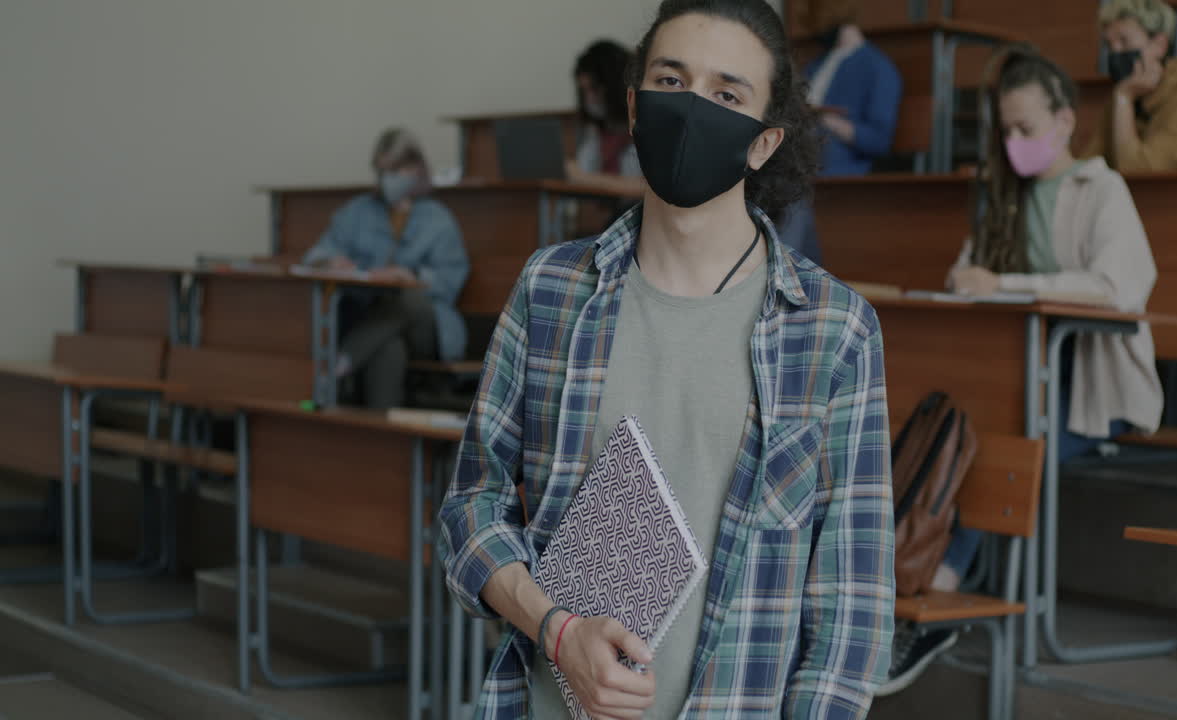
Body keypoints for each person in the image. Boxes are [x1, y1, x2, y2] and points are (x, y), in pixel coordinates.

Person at [439, 1, 895, 717]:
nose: (691, 110)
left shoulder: (835, 330)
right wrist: (556, 632)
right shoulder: (551, 289)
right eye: (671, 81)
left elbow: (850, 609)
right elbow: (471, 506)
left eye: (726, 95)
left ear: (764, 142)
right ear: (633, 105)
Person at [878, 45, 1165, 696]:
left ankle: (941, 594)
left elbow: (1117, 287)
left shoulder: (1102, 188)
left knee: (1002, 444)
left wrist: (1005, 282)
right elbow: (967, 276)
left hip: (1092, 393)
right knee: (967, 424)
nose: (1014, 144)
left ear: (1064, 121)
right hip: (1026, 387)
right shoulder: (1002, 194)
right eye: (1005, 131)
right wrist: (977, 279)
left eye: (1025, 130)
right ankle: (913, 585)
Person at [302, 128, 469, 409]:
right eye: (381, 171)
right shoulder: (358, 211)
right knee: (389, 348)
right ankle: (380, 443)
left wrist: (412, 277)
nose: (386, 179)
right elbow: (317, 253)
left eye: (395, 170)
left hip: (426, 323)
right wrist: (329, 262)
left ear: (415, 169)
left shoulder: (438, 219)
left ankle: (340, 363)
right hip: (373, 319)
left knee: (406, 297)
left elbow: (451, 281)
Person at [775, 0, 903, 265]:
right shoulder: (816, 64)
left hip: (834, 161)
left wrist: (832, 122)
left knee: (794, 175)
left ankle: (782, 268)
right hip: (803, 152)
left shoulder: (878, 68)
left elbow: (879, 140)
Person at [1083, 0, 1177, 171]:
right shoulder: (1125, 93)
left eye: (1124, 41)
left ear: (1159, 45)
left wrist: (1124, 100)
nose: (1115, 52)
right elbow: (1088, 166)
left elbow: (1139, 173)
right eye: (1109, 44)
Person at [564, 40, 648, 197]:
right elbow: (582, 171)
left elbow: (646, 189)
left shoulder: (645, 125)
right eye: (584, 91)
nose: (589, 99)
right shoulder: (597, 132)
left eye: (594, 89)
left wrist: (584, 178)